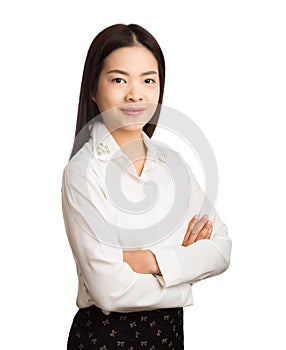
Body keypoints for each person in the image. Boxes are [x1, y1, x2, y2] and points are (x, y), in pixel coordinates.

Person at [61, 23, 232, 350]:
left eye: (148, 80)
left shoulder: (173, 163)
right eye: (118, 79)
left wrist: (151, 260)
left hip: (169, 337)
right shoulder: (83, 172)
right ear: (93, 90)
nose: (135, 94)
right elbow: (109, 290)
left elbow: (221, 248)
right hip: (106, 339)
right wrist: (183, 279)